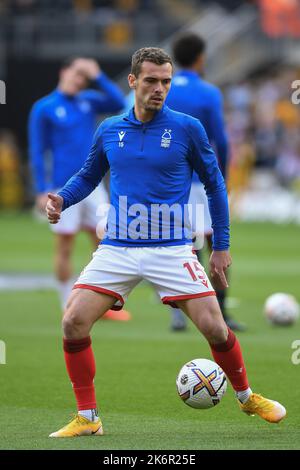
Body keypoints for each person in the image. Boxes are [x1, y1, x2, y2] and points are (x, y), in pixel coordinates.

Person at [46, 47, 286, 437]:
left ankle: (246, 397)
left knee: (215, 327)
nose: (160, 89)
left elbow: (215, 185)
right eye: (152, 81)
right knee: (73, 322)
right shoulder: (109, 129)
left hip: (171, 248)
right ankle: (88, 418)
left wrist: (221, 246)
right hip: (118, 248)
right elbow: (88, 175)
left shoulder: (188, 128)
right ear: (132, 81)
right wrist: (63, 198)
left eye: (166, 82)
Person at [29, 57, 130, 321]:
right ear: (64, 72)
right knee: (65, 245)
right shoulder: (45, 107)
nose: (80, 80)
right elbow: (37, 151)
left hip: (92, 185)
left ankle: (102, 305)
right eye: (78, 74)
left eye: (84, 78)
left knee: (105, 242)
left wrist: (97, 75)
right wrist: (41, 189)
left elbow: (119, 103)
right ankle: (67, 304)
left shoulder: (88, 100)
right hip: (62, 186)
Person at [166, 33, 245, 332]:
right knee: (216, 245)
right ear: (201, 58)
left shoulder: (166, 88)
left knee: (183, 248)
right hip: (203, 180)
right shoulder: (209, 92)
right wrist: (220, 177)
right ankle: (222, 313)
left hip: (173, 183)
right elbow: (221, 140)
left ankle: (177, 313)